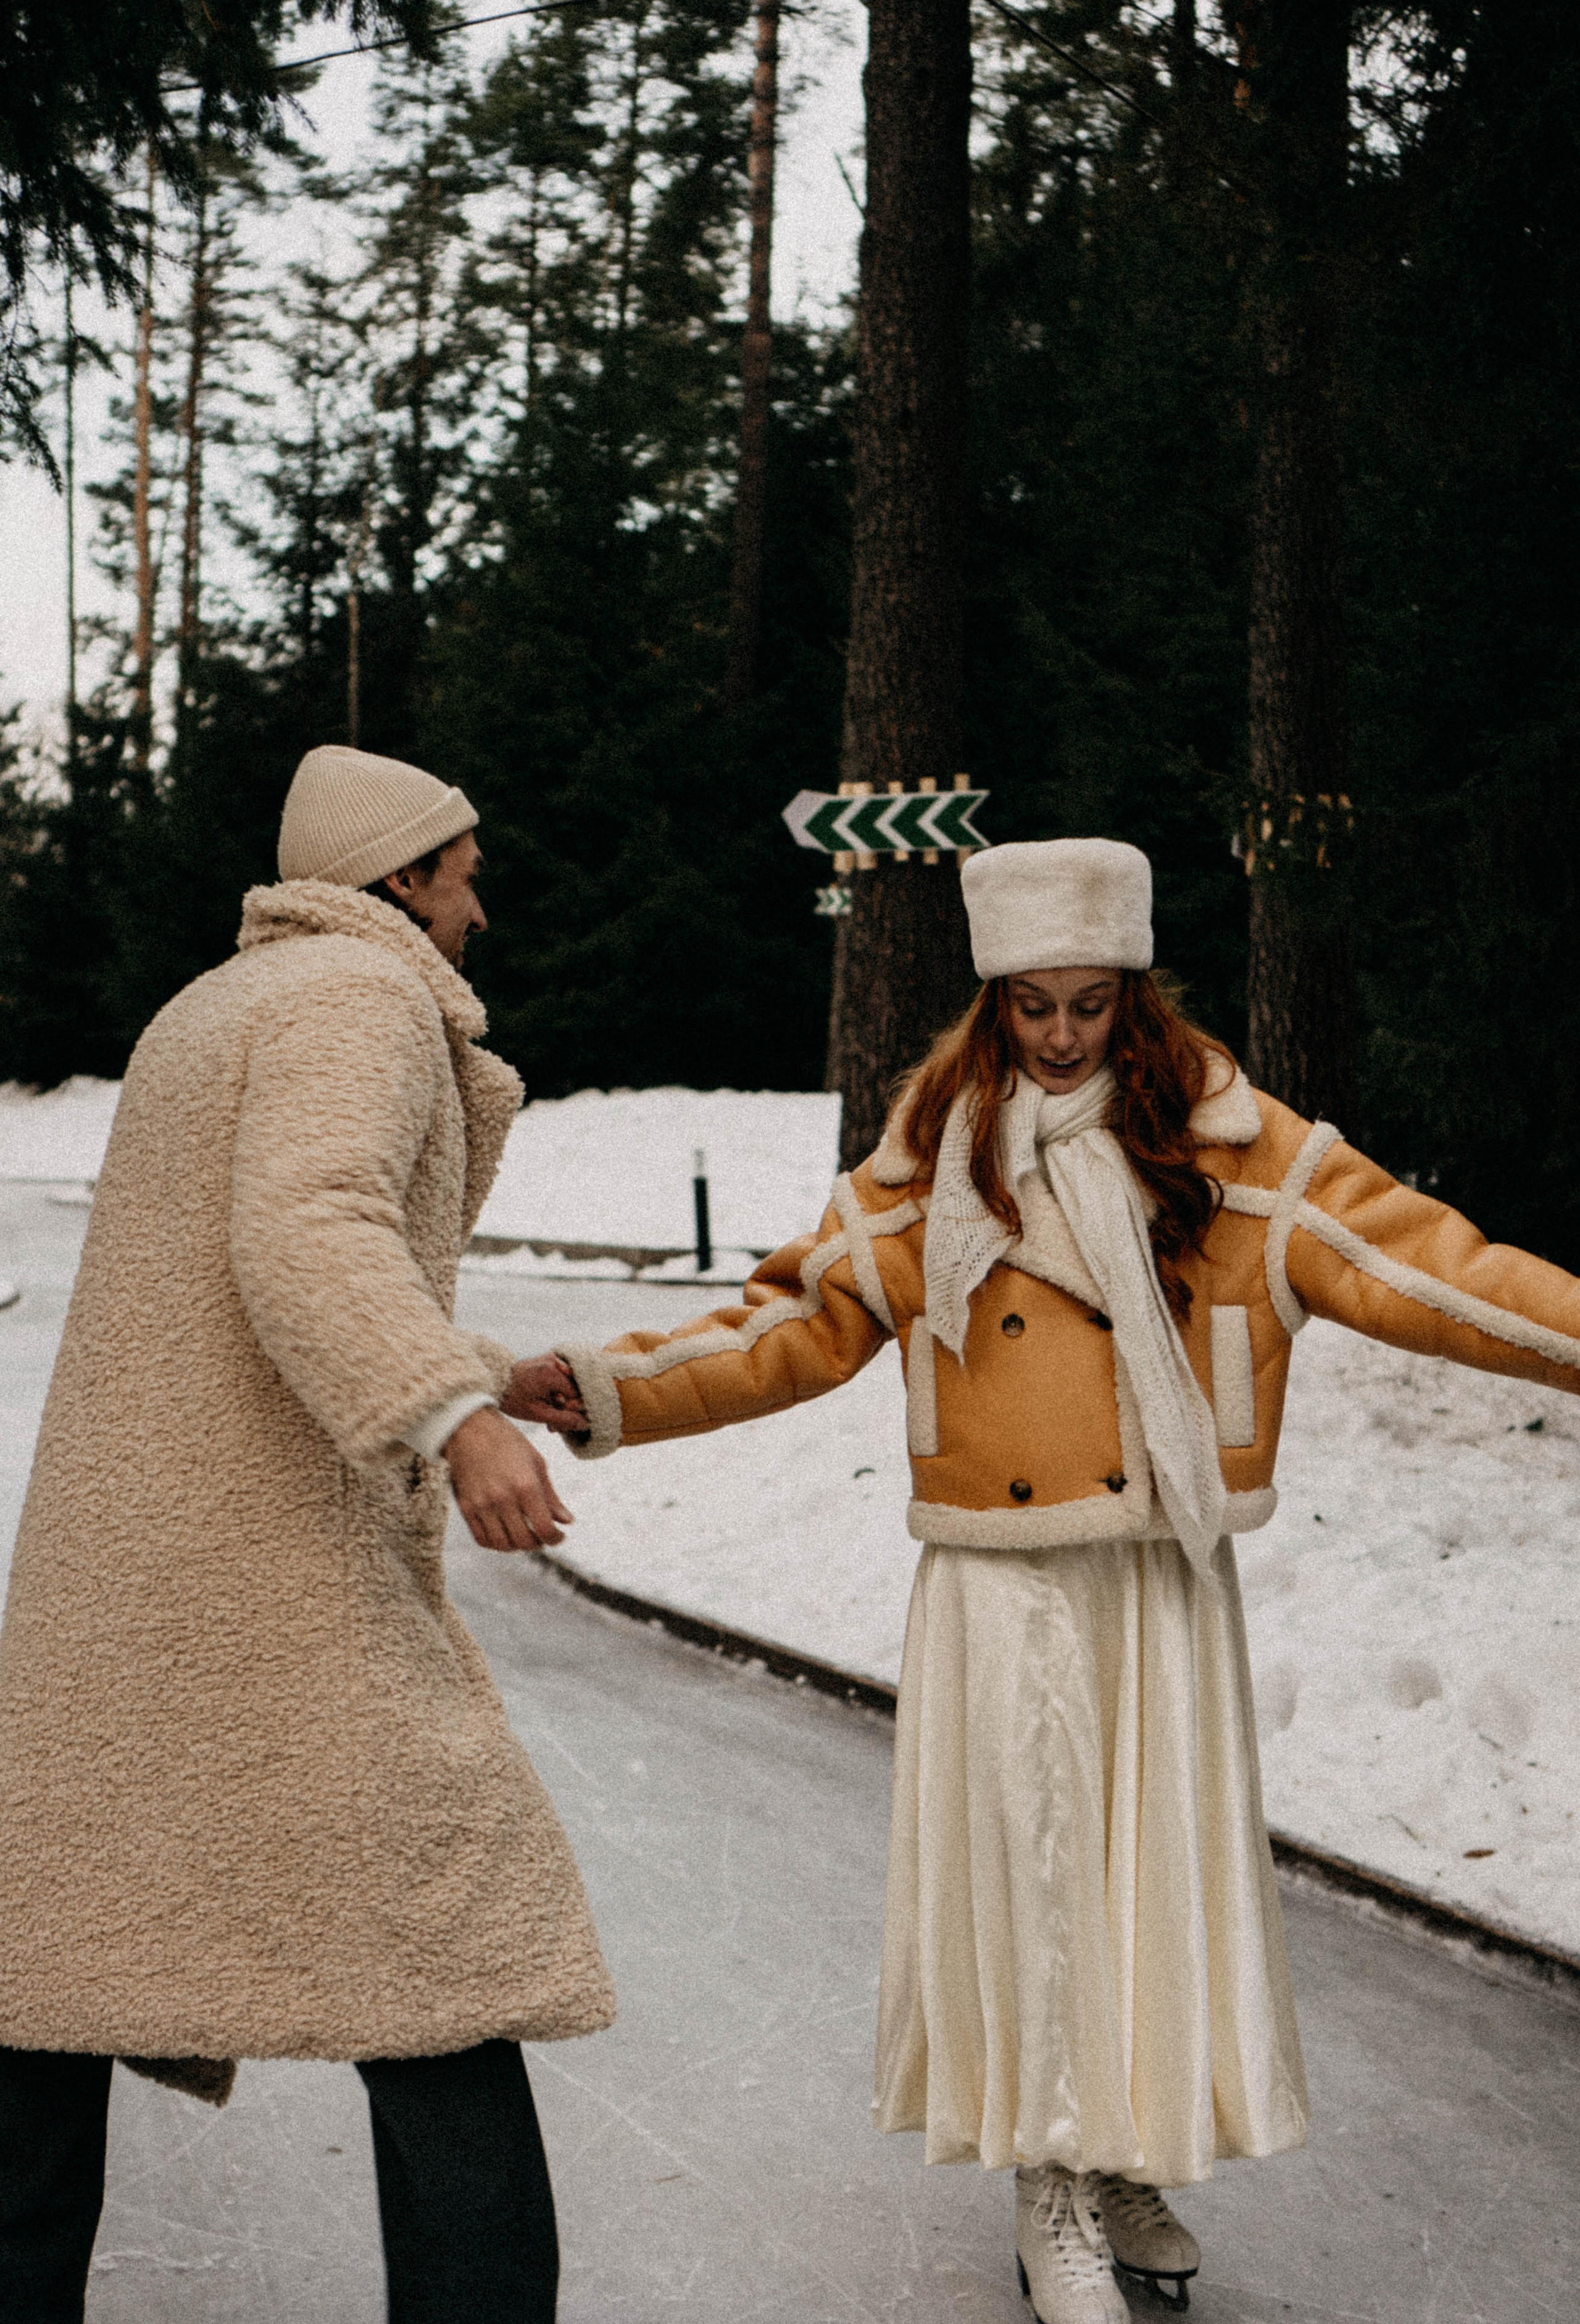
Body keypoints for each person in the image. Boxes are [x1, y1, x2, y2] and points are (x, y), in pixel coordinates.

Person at [551, 836, 1580, 2323]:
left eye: (1087, 1003)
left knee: (1140, 1878)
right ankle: (1048, 2183)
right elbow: (782, 1327)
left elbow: (1439, 1271)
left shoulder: (1237, 1157)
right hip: (1000, 1579)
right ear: (989, 1002)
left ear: (1135, 995)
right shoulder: (928, 1171)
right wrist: (601, 1385)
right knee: (1034, 1875)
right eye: (1028, 1005)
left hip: (1157, 1572)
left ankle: (1111, 2156)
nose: (1056, 1035)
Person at [0, 744, 609, 2323]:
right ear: (400, 879)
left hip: (125, 1586)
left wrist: (481, 1369)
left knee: (54, 1982)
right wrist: (451, 1416)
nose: (480, 911)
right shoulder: (362, 1000)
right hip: (273, 1585)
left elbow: (232, 1295)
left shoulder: (209, 1009)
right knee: (449, 1966)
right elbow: (308, 1226)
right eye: (463, 876)